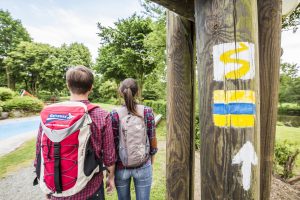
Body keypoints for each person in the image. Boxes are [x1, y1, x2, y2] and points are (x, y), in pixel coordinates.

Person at [34, 66, 116, 200]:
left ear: (68, 85)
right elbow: (109, 155)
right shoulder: (101, 115)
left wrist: (46, 184)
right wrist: (110, 178)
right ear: (91, 87)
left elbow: (39, 151)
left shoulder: (50, 115)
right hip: (91, 189)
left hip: (56, 190)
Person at [110, 78, 158, 200]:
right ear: (137, 92)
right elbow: (152, 137)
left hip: (121, 167)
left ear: (121, 92)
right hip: (143, 164)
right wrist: (150, 162)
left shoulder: (114, 114)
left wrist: (110, 172)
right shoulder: (147, 111)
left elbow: (113, 144)